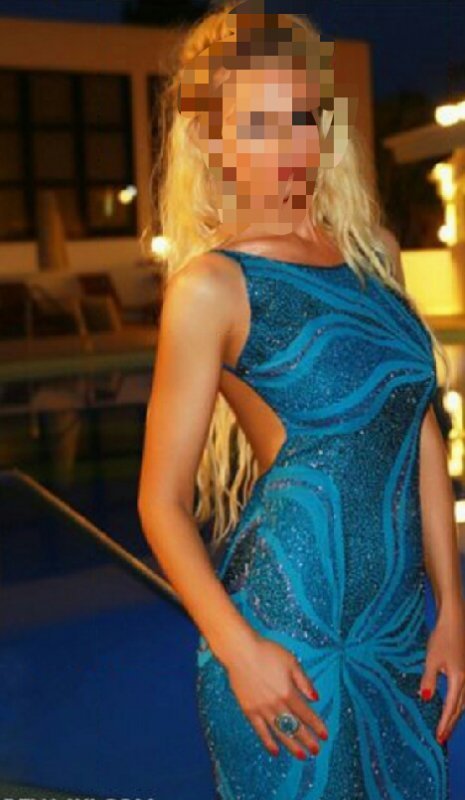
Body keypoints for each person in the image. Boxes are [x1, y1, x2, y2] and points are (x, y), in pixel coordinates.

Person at [137, 1, 465, 797]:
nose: (290, 147)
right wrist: (239, 649)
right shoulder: (212, 287)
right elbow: (160, 502)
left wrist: (451, 609)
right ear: (211, 139)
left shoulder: (373, 252)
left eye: (301, 117)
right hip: (283, 642)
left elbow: (417, 432)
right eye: (258, 124)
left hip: (396, 638)